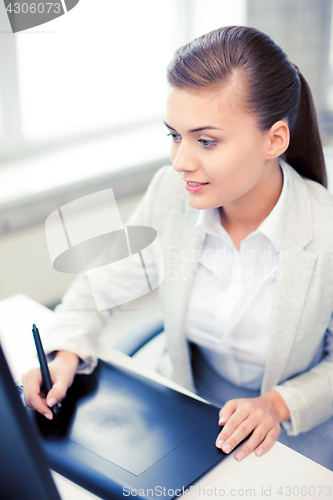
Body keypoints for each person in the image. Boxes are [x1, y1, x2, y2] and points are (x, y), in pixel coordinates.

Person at [23, 26, 333, 468]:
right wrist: (66, 351)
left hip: (298, 445)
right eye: (174, 135)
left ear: (275, 140)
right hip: (190, 420)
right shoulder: (171, 195)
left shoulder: (324, 229)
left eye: (206, 140)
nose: (180, 161)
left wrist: (278, 405)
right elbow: (99, 286)